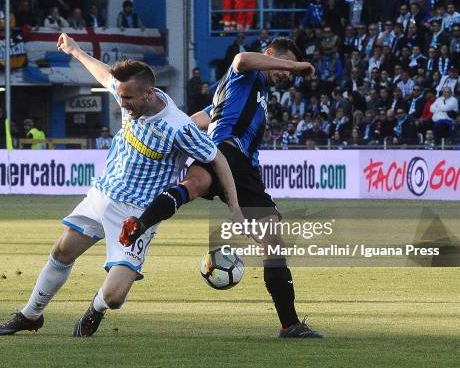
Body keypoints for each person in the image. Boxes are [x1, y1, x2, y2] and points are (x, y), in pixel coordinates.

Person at [0, 33, 242, 337]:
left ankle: (95, 307)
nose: (122, 104)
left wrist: (236, 207)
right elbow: (104, 74)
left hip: (136, 214)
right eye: (120, 97)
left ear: (148, 93)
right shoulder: (128, 92)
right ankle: (31, 315)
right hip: (102, 194)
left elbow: (218, 160)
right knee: (61, 252)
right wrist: (76, 51)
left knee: (114, 297)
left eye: (127, 99)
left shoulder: (178, 127)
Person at [119, 38, 323, 338]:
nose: (285, 74)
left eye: (289, 73)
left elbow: (200, 118)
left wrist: (174, 134)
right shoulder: (246, 73)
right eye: (282, 65)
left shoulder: (245, 91)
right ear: (269, 55)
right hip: (234, 158)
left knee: (194, 184)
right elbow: (242, 59)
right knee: (273, 243)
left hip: (213, 151)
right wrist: (295, 64)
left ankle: (139, 224)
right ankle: (290, 324)